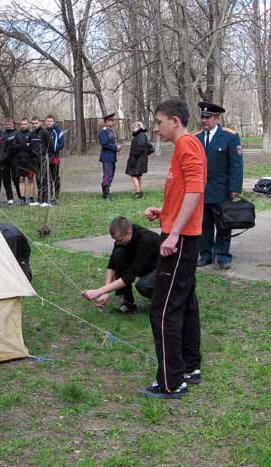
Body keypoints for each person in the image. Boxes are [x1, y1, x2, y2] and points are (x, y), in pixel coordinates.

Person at [141, 98, 206, 399]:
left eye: (159, 122)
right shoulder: (185, 146)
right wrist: (164, 212)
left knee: (164, 310)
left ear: (175, 122)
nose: (156, 129)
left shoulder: (187, 145)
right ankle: (190, 366)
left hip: (180, 241)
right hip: (181, 234)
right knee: (185, 302)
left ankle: (170, 381)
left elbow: (195, 190)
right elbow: (182, 192)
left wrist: (174, 233)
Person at [195, 102, 244, 270]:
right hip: (202, 190)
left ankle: (223, 255)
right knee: (204, 224)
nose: (204, 120)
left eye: (207, 117)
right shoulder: (197, 138)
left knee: (223, 224)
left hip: (222, 190)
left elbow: (236, 165)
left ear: (217, 118)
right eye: (202, 117)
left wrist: (235, 188)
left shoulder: (230, 137)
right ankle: (206, 255)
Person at [82, 217, 160, 314]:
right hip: (146, 266)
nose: (117, 243)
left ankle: (166, 300)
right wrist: (106, 292)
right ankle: (129, 304)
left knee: (143, 285)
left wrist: (99, 291)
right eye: (115, 240)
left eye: (120, 240)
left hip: (164, 270)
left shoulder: (146, 240)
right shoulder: (124, 234)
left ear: (129, 233)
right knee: (118, 254)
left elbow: (129, 277)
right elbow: (112, 263)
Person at [12, 118, 37, 205]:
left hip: (29, 161)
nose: (23, 125)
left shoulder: (31, 134)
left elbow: (32, 147)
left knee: (30, 179)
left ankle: (31, 198)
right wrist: (24, 145)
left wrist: (22, 146)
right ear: (20, 125)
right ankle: (22, 199)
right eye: (22, 124)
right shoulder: (17, 134)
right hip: (19, 161)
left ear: (28, 125)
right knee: (21, 179)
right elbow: (14, 146)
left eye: (25, 124)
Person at [126, 121, 153, 199]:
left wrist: (136, 156)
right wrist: (144, 155)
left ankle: (138, 193)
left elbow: (141, 147)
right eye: (133, 128)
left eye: (134, 127)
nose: (133, 129)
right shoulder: (141, 135)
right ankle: (139, 191)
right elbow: (150, 148)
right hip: (139, 159)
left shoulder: (141, 135)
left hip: (137, 160)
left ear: (139, 127)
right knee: (138, 175)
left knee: (133, 175)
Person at [99, 113, 122, 201]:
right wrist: (116, 147)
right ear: (107, 121)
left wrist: (117, 147)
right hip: (106, 157)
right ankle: (106, 194)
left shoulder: (110, 131)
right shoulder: (103, 131)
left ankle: (106, 192)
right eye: (111, 121)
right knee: (107, 175)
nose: (113, 122)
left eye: (113, 120)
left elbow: (110, 143)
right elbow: (104, 144)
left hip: (111, 157)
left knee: (111, 174)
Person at [30, 117, 51, 205]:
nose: (35, 125)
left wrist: (45, 155)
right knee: (38, 179)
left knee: (44, 179)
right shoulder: (32, 133)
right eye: (33, 123)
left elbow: (50, 145)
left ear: (40, 123)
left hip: (43, 158)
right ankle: (39, 200)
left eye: (36, 123)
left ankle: (45, 200)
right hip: (35, 159)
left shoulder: (45, 132)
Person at [44, 115, 65, 204]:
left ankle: (56, 196)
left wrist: (53, 149)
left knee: (55, 177)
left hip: (55, 157)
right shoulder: (43, 131)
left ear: (54, 122)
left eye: (50, 121)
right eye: (47, 121)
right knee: (46, 177)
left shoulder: (58, 131)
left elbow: (62, 144)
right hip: (45, 158)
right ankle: (49, 195)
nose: (48, 122)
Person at [1, 119, 19, 205]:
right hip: (5, 159)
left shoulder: (17, 132)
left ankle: (20, 196)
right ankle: (10, 198)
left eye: (10, 124)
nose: (8, 125)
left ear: (13, 124)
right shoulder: (3, 133)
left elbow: (18, 145)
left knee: (16, 178)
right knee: (6, 179)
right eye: (7, 124)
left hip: (15, 158)